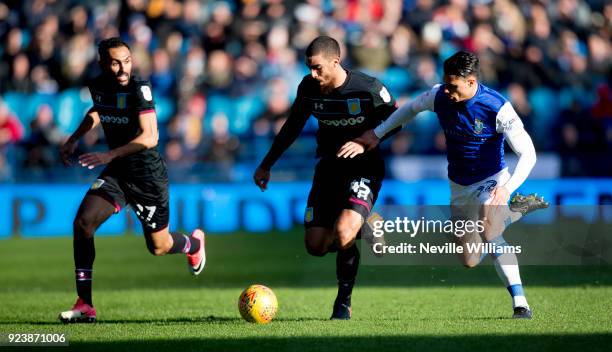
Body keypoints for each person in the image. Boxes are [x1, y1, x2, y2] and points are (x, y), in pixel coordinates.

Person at [338, 51, 548, 319]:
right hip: (459, 185)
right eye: (446, 84)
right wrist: (377, 134)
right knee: (470, 260)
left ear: (472, 82)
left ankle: (521, 303)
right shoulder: (438, 95)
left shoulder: (498, 107)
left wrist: (507, 188)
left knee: (489, 229)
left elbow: (528, 154)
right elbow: (410, 109)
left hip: (492, 180)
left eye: (454, 86)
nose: (447, 91)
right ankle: (513, 212)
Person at [58, 38, 206, 323]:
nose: (122, 67)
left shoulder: (140, 89)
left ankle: (194, 245)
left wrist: (108, 154)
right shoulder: (98, 85)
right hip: (117, 174)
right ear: (103, 63)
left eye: (126, 60)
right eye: (115, 62)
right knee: (83, 223)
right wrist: (74, 139)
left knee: (159, 247)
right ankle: (85, 304)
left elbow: (151, 137)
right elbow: (99, 109)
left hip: (147, 177)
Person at [253, 36, 397, 320]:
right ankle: (367, 227)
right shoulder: (309, 88)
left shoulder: (368, 88)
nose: (312, 74)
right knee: (316, 245)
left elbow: (398, 118)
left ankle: (343, 302)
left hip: (364, 167)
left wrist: (368, 139)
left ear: (335, 61)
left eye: (317, 68)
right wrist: (266, 164)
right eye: (309, 67)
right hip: (328, 169)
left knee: (343, 232)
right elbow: (293, 125)